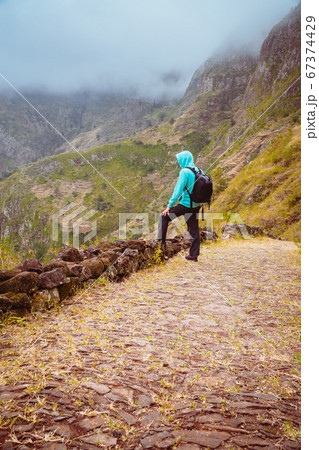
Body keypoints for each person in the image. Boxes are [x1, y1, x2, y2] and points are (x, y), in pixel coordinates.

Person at [157, 150, 201, 261]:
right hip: (196, 205)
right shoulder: (199, 170)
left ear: (183, 160)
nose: (179, 163)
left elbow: (177, 191)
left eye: (179, 160)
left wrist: (169, 206)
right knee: (194, 229)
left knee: (164, 217)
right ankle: (193, 255)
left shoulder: (185, 172)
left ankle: (160, 246)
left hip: (186, 204)